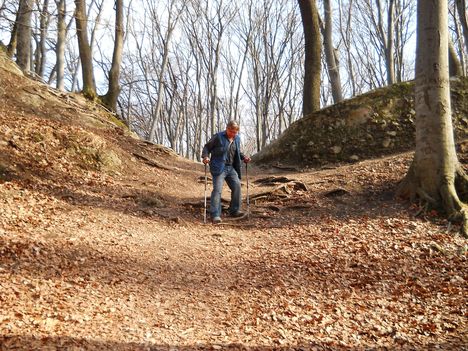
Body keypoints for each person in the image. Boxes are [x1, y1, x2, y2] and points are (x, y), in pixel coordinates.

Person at [202, 121, 251, 223]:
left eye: (235, 132)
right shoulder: (218, 137)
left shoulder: (237, 139)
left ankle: (234, 210)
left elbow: (237, 152)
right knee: (217, 190)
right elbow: (207, 147)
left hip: (231, 167)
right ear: (227, 129)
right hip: (219, 167)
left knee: (237, 186)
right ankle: (215, 214)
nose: (233, 134)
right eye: (231, 131)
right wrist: (206, 157)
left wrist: (244, 157)